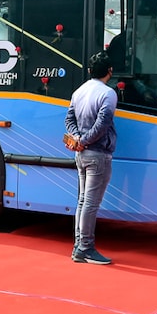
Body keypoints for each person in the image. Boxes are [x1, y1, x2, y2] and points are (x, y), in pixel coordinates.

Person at [65, 51, 117, 265]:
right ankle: (85, 247)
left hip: (81, 153)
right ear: (110, 71)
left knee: (83, 201)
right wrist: (86, 140)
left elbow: (69, 119)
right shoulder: (108, 94)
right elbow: (103, 124)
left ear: (89, 71)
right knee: (90, 204)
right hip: (98, 154)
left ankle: (79, 245)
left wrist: (78, 139)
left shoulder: (79, 91)